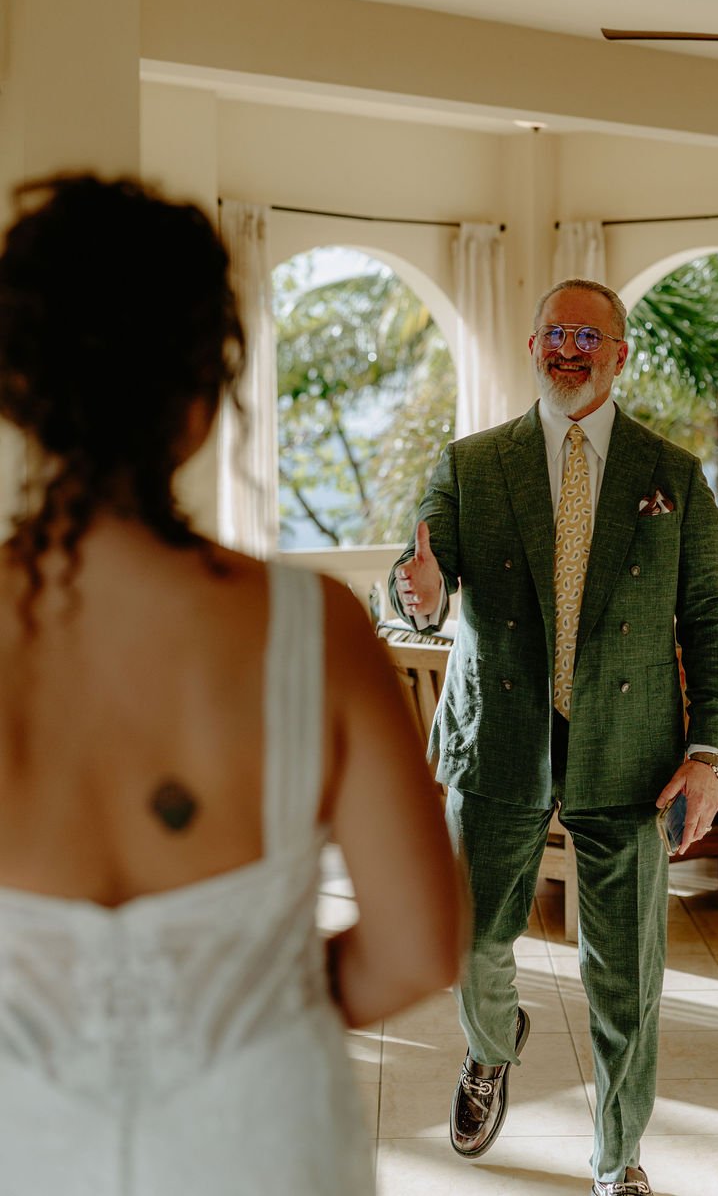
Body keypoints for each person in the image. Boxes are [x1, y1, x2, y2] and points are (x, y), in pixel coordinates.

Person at [0, 172, 464, 1195]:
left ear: (17, 392)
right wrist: (250, 1007)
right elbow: (420, 944)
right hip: (261, 1145)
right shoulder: (312, 629)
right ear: (204, 400)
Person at [389, 277, 718, 1196]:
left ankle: (619, 1159)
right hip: (497, 737)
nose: (569, 348)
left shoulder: (672, 475)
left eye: (590, 333)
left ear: (621, 352)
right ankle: (491, 1046)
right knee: (472, 939)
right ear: (532, 346)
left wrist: (709, 755)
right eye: (554, 332)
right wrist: (418, 594)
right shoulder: (472, 464)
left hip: (633, 755)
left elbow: (707, 621)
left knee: (626, 981)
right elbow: (421, 577)